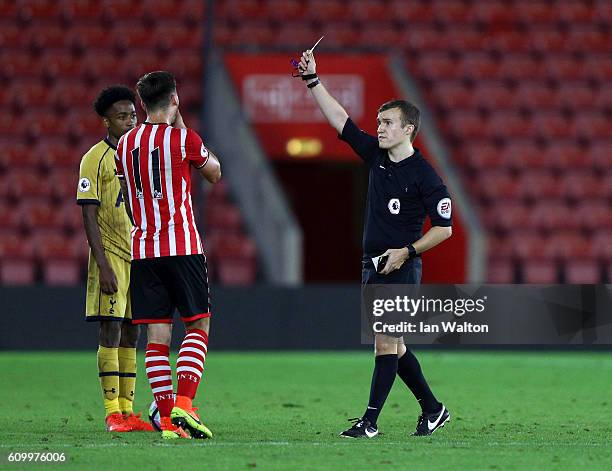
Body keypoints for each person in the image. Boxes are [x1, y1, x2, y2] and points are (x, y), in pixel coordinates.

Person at [297, 51, 453, 438]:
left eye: (387, 123)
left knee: (384, 343)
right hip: (374, 264)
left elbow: (445, 227)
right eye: (379, 122)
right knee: (394, 346)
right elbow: (340, 120)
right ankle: (433, 410)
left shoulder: (424, 174)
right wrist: (313, 80)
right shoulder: (376, 156)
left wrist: (408, 251)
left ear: (408, 129)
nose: (379, 128)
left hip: (401, 267)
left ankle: (369, 422)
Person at [115, 71, 221, 440]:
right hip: (182, 246)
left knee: (157, 338)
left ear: (142, 104)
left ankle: (166, 421)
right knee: (197, 326)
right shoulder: (184, 139)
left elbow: (129, 192)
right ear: (174, 100)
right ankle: (184, 405)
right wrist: (182, 126)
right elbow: (214, 173)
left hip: (143, 249)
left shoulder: (125, 144)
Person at [77, 86, 153, 432]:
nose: (129, 121)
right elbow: (88, 216)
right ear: (106, 121)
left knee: (131, 333)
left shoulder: (140, 154)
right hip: (111, 257)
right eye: (122, 116)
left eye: (132, 115)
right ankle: (111, 412)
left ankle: (128, 410)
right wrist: (103, 264)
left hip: (138, 255)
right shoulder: (94, 158)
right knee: (109, 329)